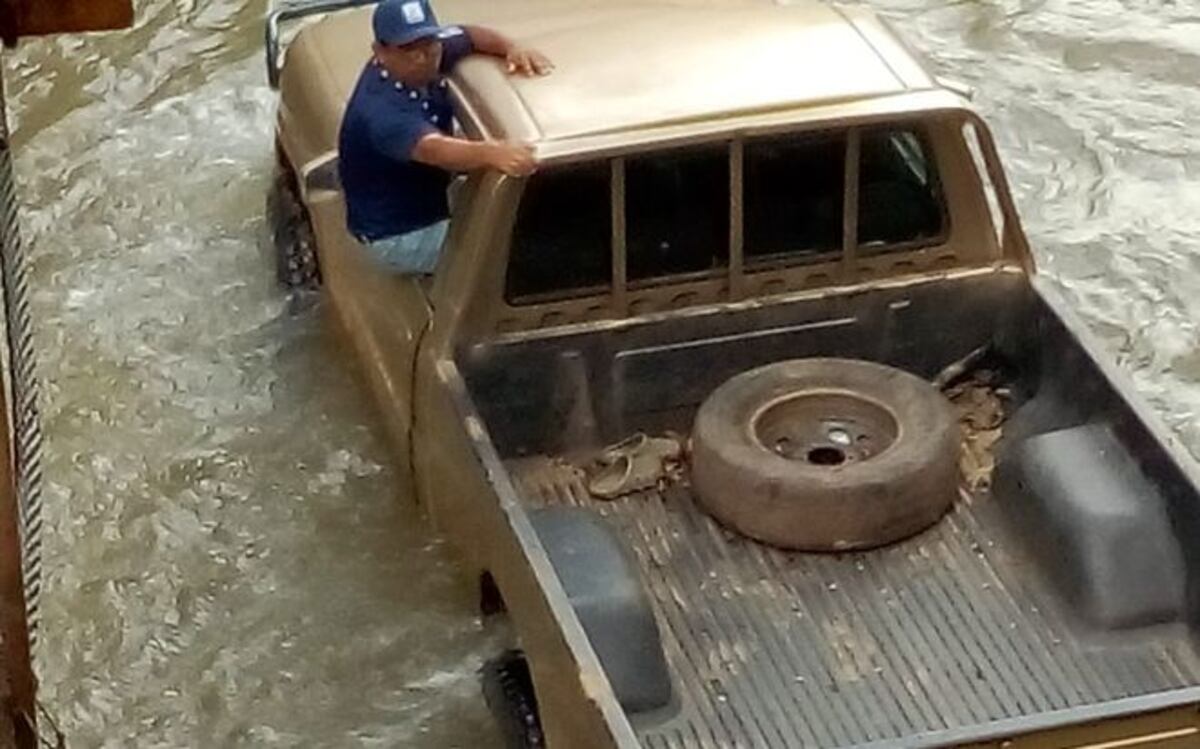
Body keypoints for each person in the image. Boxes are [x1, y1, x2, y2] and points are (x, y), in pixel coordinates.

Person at [337, 0, 552, 275]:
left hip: (431, 197)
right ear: (380, 51)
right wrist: (493, 153)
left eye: (427, 43)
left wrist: (512, 47)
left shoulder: (433, 52)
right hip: (399, 235)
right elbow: (433, 150)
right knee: (521, 248)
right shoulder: (381, 112)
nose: (421, 56)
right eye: (407, 48)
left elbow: (470, 36)